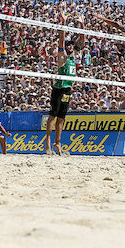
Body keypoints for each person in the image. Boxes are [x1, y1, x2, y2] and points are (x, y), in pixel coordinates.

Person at [45, 12, 84, 155]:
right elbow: (61, 39)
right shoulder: (63, 56)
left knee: (61, 119)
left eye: (71, 45)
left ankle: (58, 142)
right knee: (52, 117)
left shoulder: (74, 57)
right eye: (69, 45)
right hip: (58, 89)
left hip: (68, 90)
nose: (71, 47)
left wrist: (82, 24)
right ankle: (48, 142)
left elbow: (82, 41)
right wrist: (63, 22)